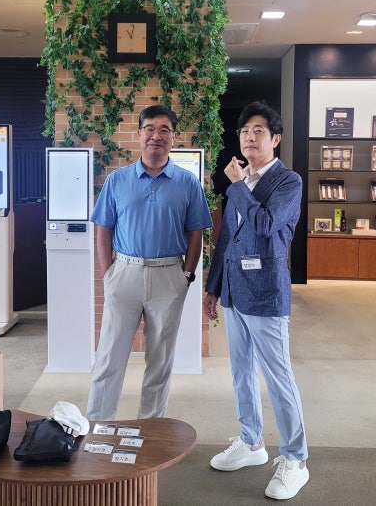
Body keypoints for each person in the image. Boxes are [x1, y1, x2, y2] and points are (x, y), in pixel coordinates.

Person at [203, 101, 309, 500]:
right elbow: (227, 240)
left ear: (275, 138)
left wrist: (238, 186)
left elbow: (265, 225)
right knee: (241, 372)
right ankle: (251, 442)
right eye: (245, 131)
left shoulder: (288, 182)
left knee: (279, 378)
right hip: (234, 291)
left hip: (266, 293)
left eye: (258, 131)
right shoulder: (240, 181)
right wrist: (213, 287)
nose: (250, 137)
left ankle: (296, 459)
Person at [86, 104, 213, 421]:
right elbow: (103, 229)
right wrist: (109, 274)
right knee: (109, 356)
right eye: (150, 129)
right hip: (124, 273)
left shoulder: (188, 183)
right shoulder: (117, 180)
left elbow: (196, 233)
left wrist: (186, 276)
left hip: (169, 276)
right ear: (139, 134)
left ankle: (151, 428)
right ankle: (98, 425)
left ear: (173, 137)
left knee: (160, 359)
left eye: (164, 130)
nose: (156, 136)